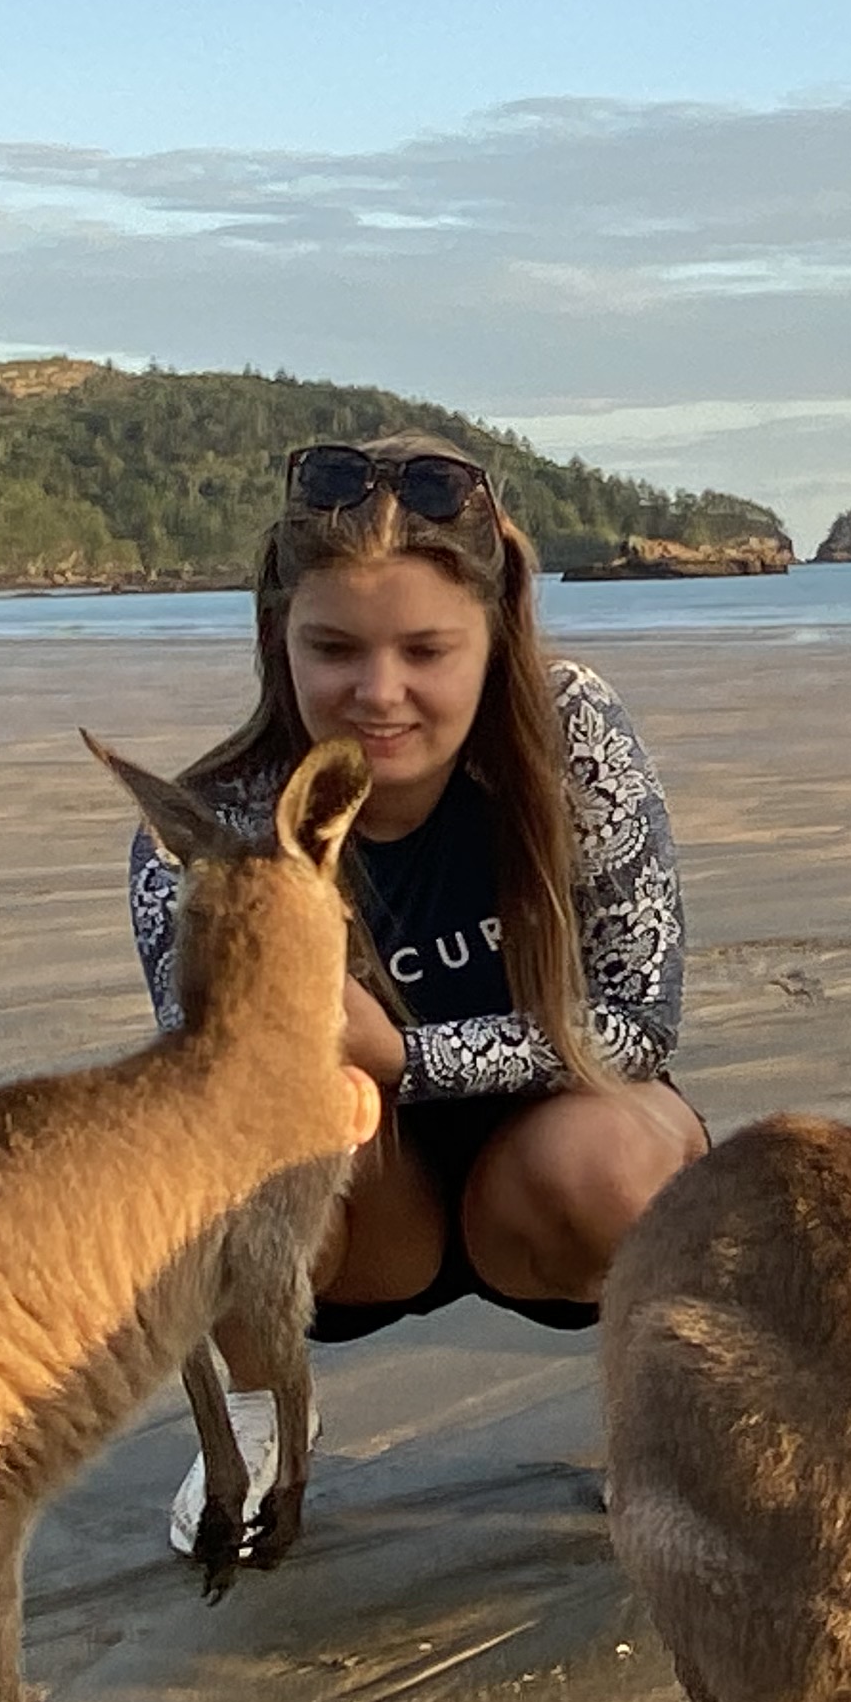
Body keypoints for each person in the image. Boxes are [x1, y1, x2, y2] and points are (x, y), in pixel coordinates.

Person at [127, 436, 704, 1540]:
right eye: (334, 647)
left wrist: (409, 1057)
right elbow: (198, 1108)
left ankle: (666, 1421)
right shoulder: (206, 833)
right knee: (220, 1165)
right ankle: (257, 1426)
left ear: (498, 635)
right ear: (276, 640)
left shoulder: (571, 735)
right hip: (356, 1207)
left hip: (557, 1168)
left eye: (426, 650)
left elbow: (640, 1019)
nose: (377, 693)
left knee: (609, 1160)